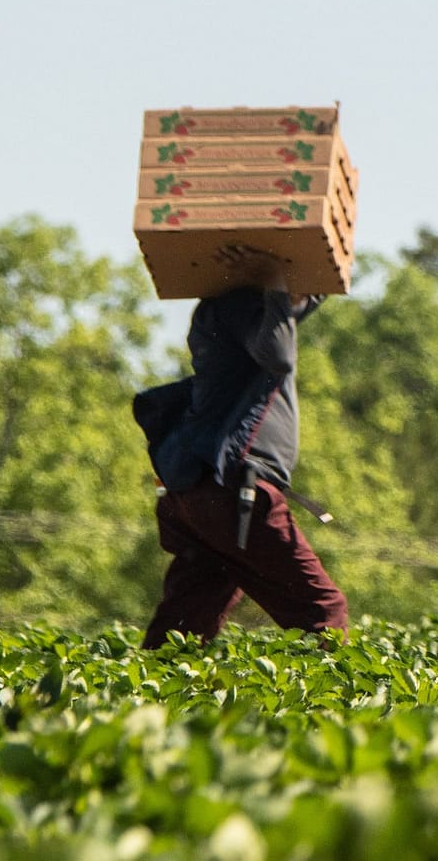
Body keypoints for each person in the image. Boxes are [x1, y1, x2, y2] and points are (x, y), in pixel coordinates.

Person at [138, 247, 348, 648]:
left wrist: (311, 279)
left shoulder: (220, 310)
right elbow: (279, 354)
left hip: (197, 496)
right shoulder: (243, 306)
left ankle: (143, 701)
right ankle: (324, 708)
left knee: (187, 618)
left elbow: (282, 320)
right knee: (322, 611)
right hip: (234, 493)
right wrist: (274, 279)